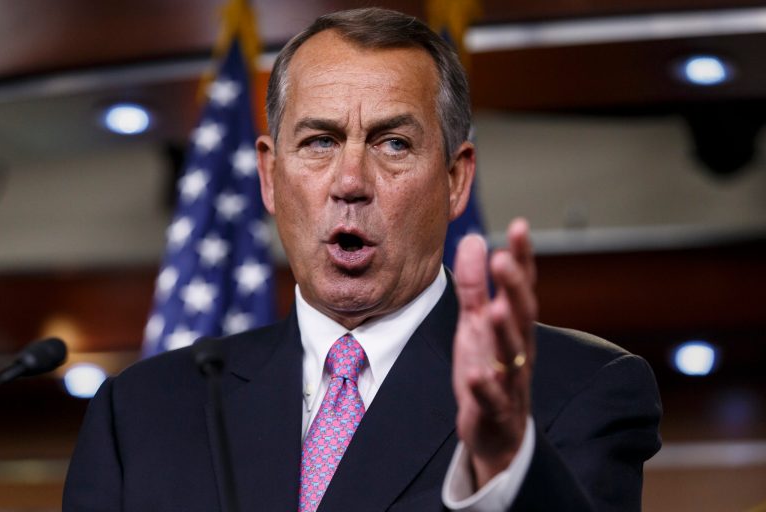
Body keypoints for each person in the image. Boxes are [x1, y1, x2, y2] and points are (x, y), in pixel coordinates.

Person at [63, 7, 661, 512]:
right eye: (319, 142)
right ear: (269, 176)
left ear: (455, 180)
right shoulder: (142, 412)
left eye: (393, 144)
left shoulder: (572, 392)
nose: (350, 181)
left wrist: (508, 469)